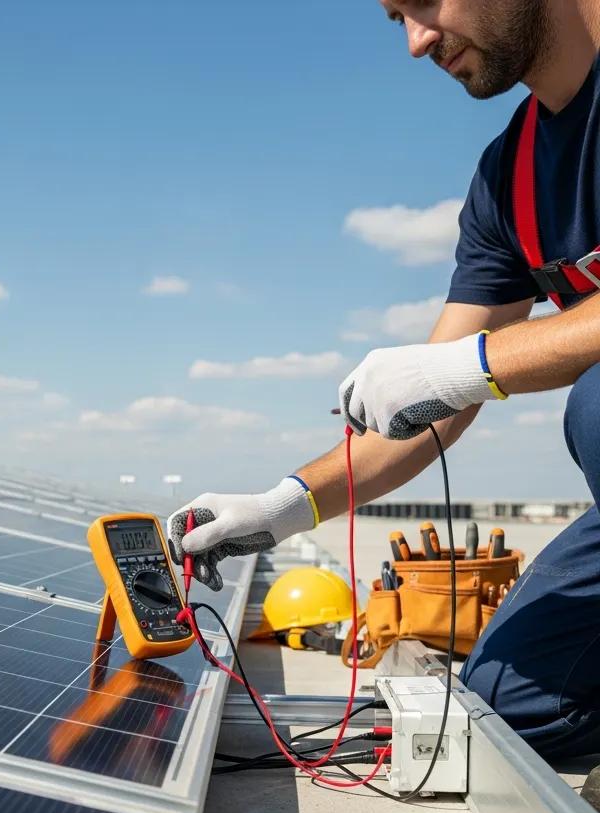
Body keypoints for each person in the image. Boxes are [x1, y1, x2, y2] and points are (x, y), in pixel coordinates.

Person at [167, 0, 600, 765]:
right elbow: (430, 409)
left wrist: (468, 367)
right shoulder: (512, 181)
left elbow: (462, 370)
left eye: (425, 3)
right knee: (510, 705)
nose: (417, 42)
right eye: (396, 17)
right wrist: (282, 508)